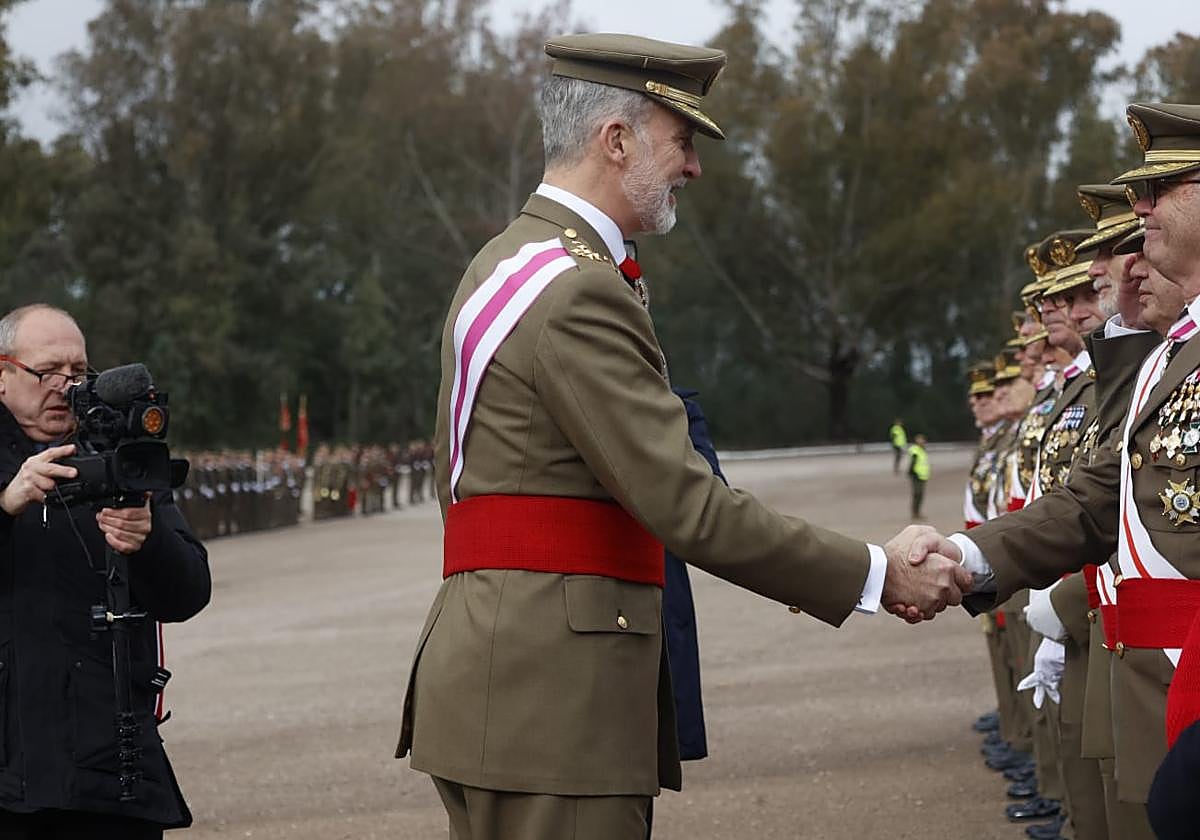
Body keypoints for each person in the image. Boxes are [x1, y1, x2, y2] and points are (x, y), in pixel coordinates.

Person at [395, 32, 969, 840]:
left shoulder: (507, 259)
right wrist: (876, 574)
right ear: (616, 139)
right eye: (683, 140)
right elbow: (689, 505)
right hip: (554, 702)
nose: (693, 166)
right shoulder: (577, 290)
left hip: (505, 674)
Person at [899, 102, 1200, 840]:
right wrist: (968, 556)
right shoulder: (1165, 353)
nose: (1141, 207)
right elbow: (1104, 492)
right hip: (1145, 670)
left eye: (1160, 190)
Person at [0, 304, 211, 839]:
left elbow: (188, 593)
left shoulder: (122, 456)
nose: (65, 388)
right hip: (11, 767)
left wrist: (148, 539)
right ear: (3, 374)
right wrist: (7, 501)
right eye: (47, 372)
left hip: (112, 764)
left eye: (78, 374)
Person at [908, 433, 929, 519]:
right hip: (916, 475)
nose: (921, 441)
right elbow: (913, 462)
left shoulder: (922, 450)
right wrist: (912, 472)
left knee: (921, 495)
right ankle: (914, 512)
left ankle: (917, 512)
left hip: (923, 476)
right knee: (917, 494)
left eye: (922, 439)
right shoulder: (915, 450)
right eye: (919, 439)